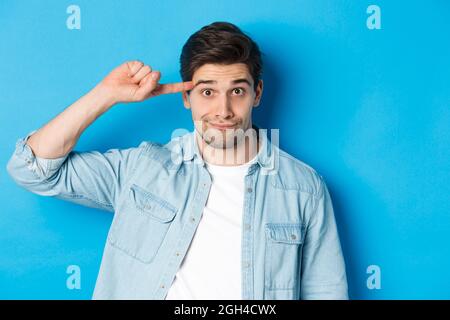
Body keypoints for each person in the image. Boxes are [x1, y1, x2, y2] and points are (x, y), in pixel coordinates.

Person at [6, 21, 348, 300]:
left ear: (257, 93)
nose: (223, 111)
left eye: (238, 91)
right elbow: (32, 168)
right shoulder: (143, 168)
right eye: (208, 91)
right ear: (187, 97)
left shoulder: (304, 188)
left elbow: (327, 292)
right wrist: (106, 95)